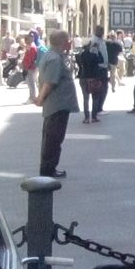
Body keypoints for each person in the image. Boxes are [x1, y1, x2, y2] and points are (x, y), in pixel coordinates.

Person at [34, 31, 78, 178]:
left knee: (52, 137)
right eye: (68, 40)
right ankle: (48, 169)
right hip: (57, 105)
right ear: (63, 42)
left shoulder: (51, 55)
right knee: (54, 138)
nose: (70, 42)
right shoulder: (55, 59)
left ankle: (48, 167)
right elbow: (49, 82)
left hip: (56, 104)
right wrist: (40, 99)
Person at [78, 26, 109, 123]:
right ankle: (94, 116)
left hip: (84, 77)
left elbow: (79, 63)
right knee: (95, 97)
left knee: (86, 98)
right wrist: (98, 51)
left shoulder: (82, 55)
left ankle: (86, 117)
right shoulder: (95, 55)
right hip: (94, 76)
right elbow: (101, 60)